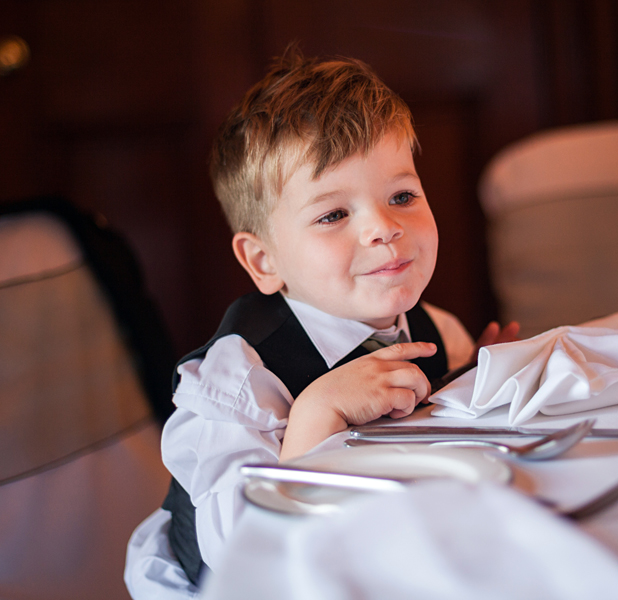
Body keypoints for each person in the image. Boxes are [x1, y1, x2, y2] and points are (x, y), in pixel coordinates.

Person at [124, 49, 519, 596]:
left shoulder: (433, 328)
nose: (384, 226)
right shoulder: (237, 381)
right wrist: (316, 415)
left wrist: (473, 382)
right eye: (334, 214)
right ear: (265, 261)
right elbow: (244, 552)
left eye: (401, 195)